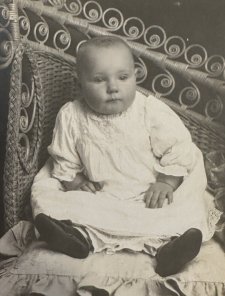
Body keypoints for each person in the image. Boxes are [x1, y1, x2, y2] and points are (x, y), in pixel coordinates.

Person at [32, 36, 221, 277]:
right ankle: (76, 237)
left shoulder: (148, 111)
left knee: (179, 210)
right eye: (99, 80)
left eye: (123, 77)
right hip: (102, 194)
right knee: (49, 190)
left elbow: (179, 146)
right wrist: (76, 182)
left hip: (150, 194)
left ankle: (169, 249)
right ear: (79, 85)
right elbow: (63, 156)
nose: (113, 87)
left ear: (135, 76)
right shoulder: (71, 116)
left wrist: (166, 181)